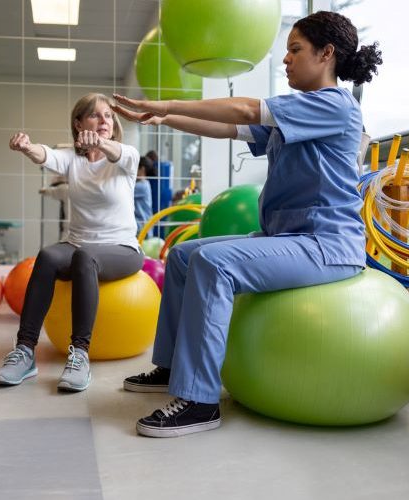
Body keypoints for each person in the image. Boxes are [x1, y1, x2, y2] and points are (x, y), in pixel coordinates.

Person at [112, 10, 382, 437]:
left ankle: (200, 401)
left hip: (326, 245)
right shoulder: (296, 113)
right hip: (287, 238)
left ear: (327, 54)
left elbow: (242, 106)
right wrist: (165, 119)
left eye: (295, 50)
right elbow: (232, 128)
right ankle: (170, 368)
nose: (286, 60)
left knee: (215, 264)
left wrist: (167, 102)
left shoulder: (336, 106)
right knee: (183, 254)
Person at [0, 93, 144, 392]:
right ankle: (24, 351)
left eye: (108, 116)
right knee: (48, 256)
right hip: (78, 244)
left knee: (85, 257)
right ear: (78, 124)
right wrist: (26, 147)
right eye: (95, 115)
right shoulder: (73, 162)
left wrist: (100, 142)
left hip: (122, 249)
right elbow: (45, 154)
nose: (104, 121)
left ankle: (80, 355)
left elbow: (115, 152)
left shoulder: (125, 157)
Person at [134, 156, 154, 237]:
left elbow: (123, 191)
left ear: (142, 169)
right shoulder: (143, 184)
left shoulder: (142, 186)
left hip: (142, 229)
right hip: (142, 227)